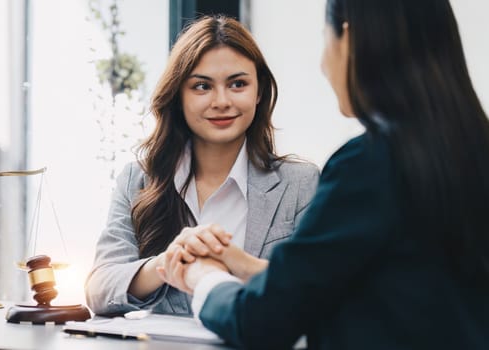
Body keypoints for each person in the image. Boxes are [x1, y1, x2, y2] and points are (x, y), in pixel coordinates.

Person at [158, 0, 489, 348]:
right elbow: (365, 285)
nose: (323, 65)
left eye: (325, 40)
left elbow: (262, 320)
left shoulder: (368, 165)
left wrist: (204, 278)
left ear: (347, 38)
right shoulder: (472, 152)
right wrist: (241, 265)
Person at [84, 15, 320, 316]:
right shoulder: (138, 179)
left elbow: (312, 292)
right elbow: (100, 289)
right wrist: (170, 261)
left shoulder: (300, 183)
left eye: (238, 84)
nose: (221, 101)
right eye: (201, 86)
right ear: (178, 96)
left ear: (258, 92)